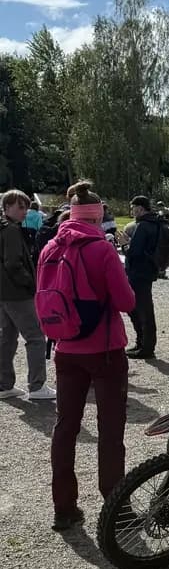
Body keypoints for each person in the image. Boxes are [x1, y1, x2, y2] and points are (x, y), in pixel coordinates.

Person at [44, 181, 136, 532]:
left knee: (65, 427)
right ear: (98, 216)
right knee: (110, 431)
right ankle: (116, 506)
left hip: (65, 348)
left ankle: (64, 507)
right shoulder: (102, 249)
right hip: (105, 349)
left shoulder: (51, 246)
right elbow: (127, 302)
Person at [0, 189, 55, 400]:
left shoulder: (5, 228)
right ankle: (37, 385)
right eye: (19, 207)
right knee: (35, 337)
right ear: (6, 208)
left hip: (4, 293)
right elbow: (13, 263)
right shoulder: (12, 230)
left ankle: (4, 384)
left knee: (7, 338)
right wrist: (31, 285)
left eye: (25, 206)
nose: (24, 211)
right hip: (17, 293)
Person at [124, 195, 162, 359]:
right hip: (149, 270)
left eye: (133, 208)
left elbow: (134, 252)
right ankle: (143, 344)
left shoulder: (143, 226)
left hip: (138, 272)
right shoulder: (156, 223)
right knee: (143, 309)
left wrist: (126, 243)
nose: (132, 211)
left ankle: (145, 347)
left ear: (140, 208)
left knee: (140, 310)